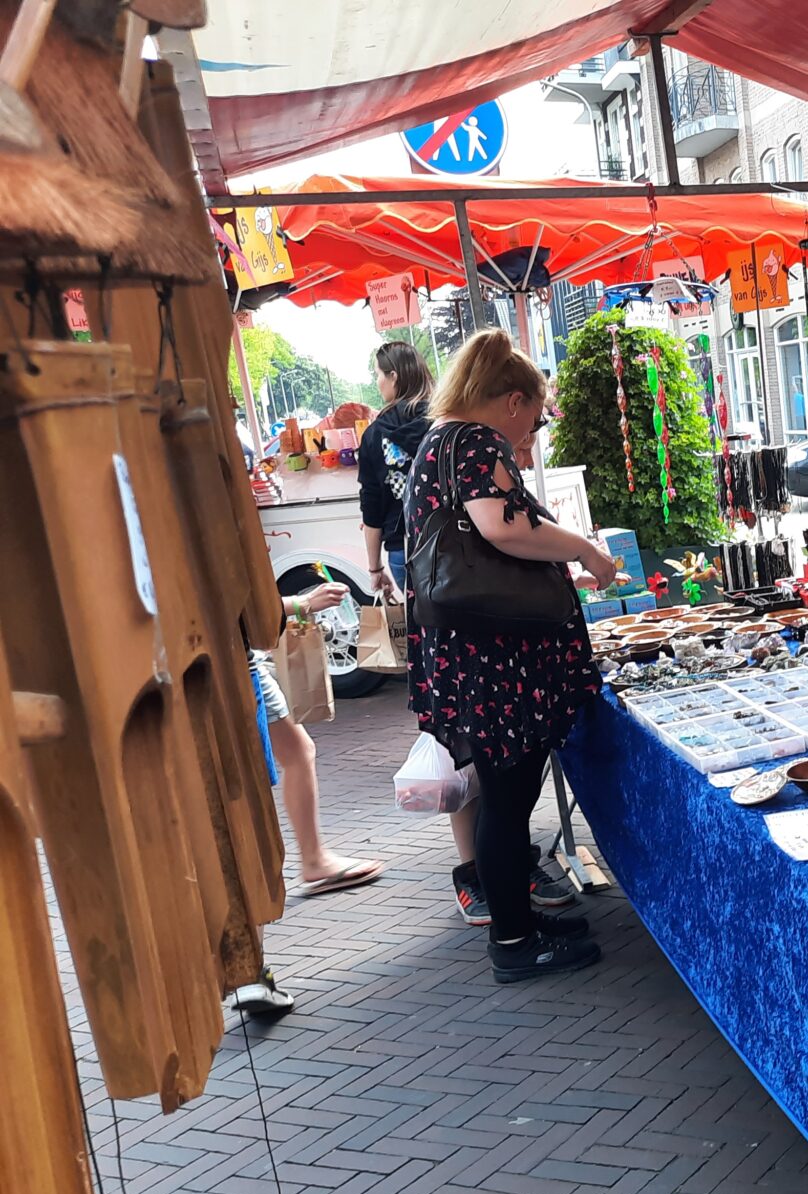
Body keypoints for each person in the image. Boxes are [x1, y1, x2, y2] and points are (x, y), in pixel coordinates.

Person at [404, 329, 616, 982]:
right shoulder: (474, 441)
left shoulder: (439, 441)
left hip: (471, 650)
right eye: (536, 411)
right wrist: (582, 547)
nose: (533, 426)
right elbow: (502, 525)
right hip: (492, 657)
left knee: (507, 796)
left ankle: (515, 921)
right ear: (514, 400)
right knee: (508, 797)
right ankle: (517, 944)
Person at [250, 585, 385, 897]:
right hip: (241, 667)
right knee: (290, 757)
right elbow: (239, 608)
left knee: (297, 753)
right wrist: (304, 603)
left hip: (245, 662)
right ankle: (310, 859)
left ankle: (312, 858)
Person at [360, 340, 434, 602]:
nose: (377, 381)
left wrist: (375, 567)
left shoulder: (373, 435)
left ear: (394, 377)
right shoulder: (444, 422)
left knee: (426, 634)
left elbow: (372, 507)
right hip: (457, 545)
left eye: (378, 374)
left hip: (402, 549)